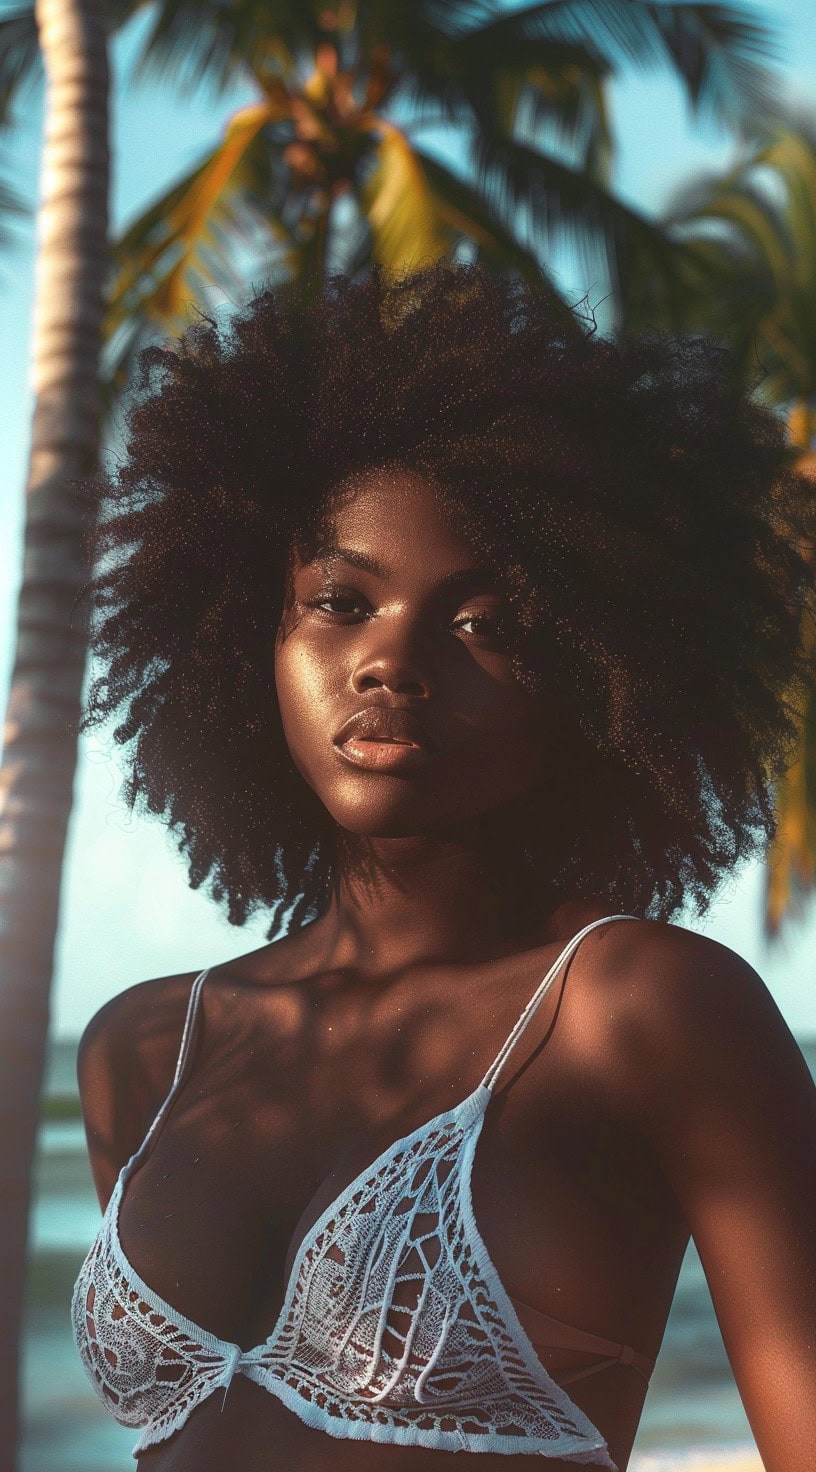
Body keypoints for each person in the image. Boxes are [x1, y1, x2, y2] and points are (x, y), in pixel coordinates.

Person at [70, 259, 816, 1471]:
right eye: (338, 601)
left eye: (483, 625)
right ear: (242, 637)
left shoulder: (637, 1011)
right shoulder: (145, 1049)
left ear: (595, 669)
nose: (389, 663)